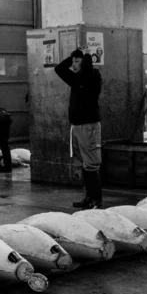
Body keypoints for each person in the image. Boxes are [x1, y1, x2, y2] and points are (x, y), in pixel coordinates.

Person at [55, 46, 103, 209]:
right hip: (77, 126)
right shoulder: (75, 79)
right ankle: (89, 197)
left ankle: (96, 199)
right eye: (73, 61)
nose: (73, 65)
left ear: (86, 62)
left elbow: (87, 70)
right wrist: (73, 56)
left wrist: (87, 54)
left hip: (88, 126)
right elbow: (59, 68)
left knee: (91, 163)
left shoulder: (92, 76)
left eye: (77, 61)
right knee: (85, 164)